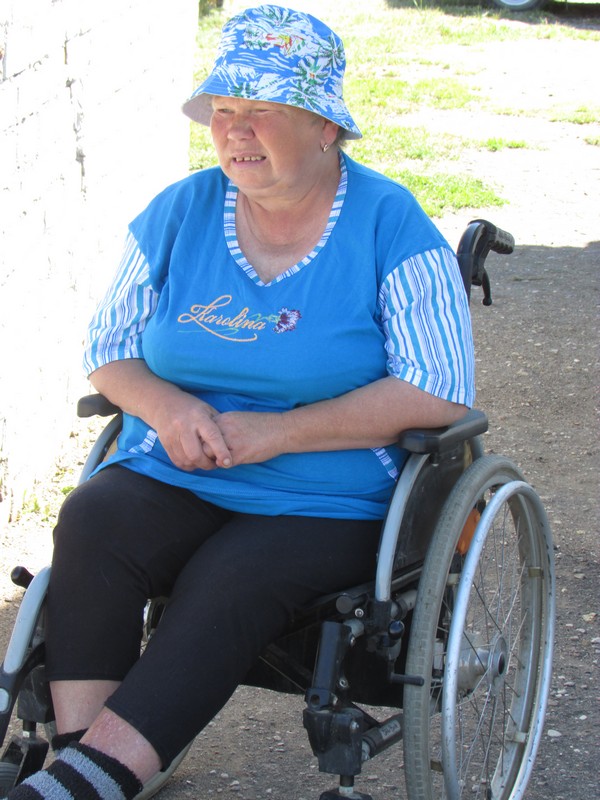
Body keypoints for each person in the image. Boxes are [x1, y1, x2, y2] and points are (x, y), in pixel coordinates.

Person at [7, 5, 475, 799]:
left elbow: (438, 388)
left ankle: (87, 781)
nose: (235, 131)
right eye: (223, 110)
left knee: (231, 577)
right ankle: (88, 762)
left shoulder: (390, 225)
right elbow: (109, 348)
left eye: (263, 109)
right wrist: (167, 408)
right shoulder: (179, 211)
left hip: (326, 494)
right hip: (182, 465)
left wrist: (280, 433)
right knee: (93, 519)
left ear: (326, 125)